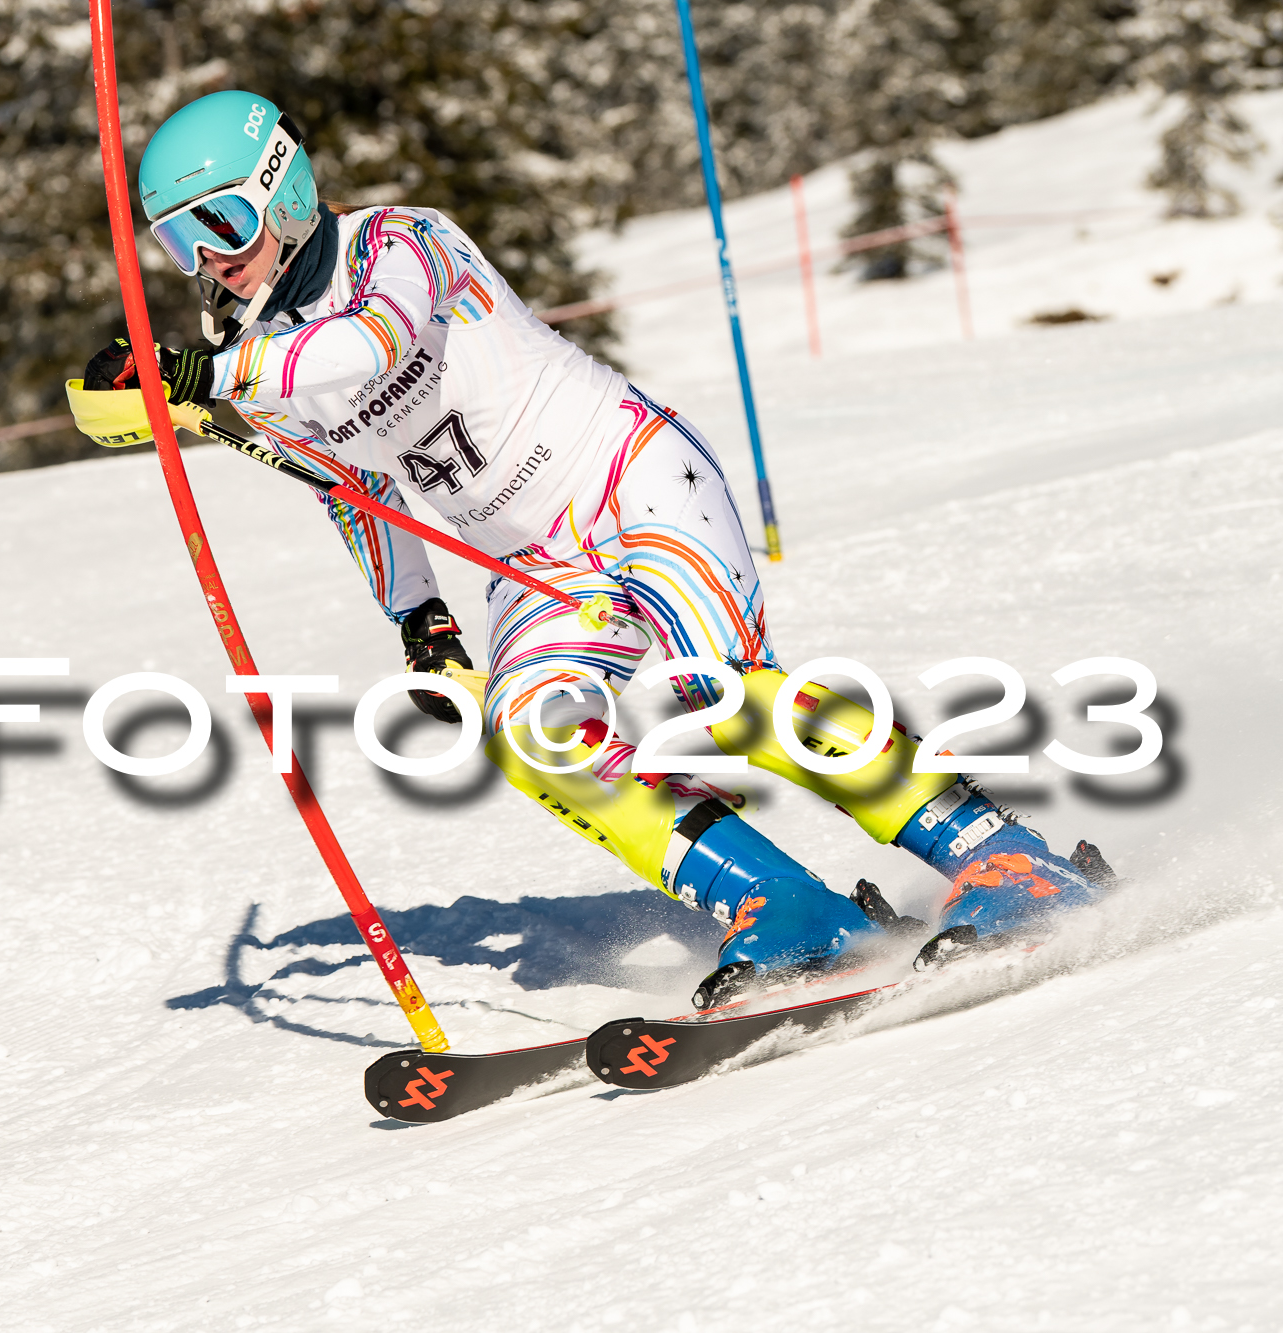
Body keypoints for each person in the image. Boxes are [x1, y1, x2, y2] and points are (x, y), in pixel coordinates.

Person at [71, 90, 1113, 1007]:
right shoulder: (256, 364)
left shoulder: (402, 244)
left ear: (286, 188)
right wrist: (420, 618)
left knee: (721, 696)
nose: (208, 258)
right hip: (533, 565)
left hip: (629, 479)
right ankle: (787, 907)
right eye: (178, 242)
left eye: (221, 221)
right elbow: (354, 494)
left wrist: (207, 378)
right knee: (532, 733)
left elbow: (370, 341)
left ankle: (1004, 856)